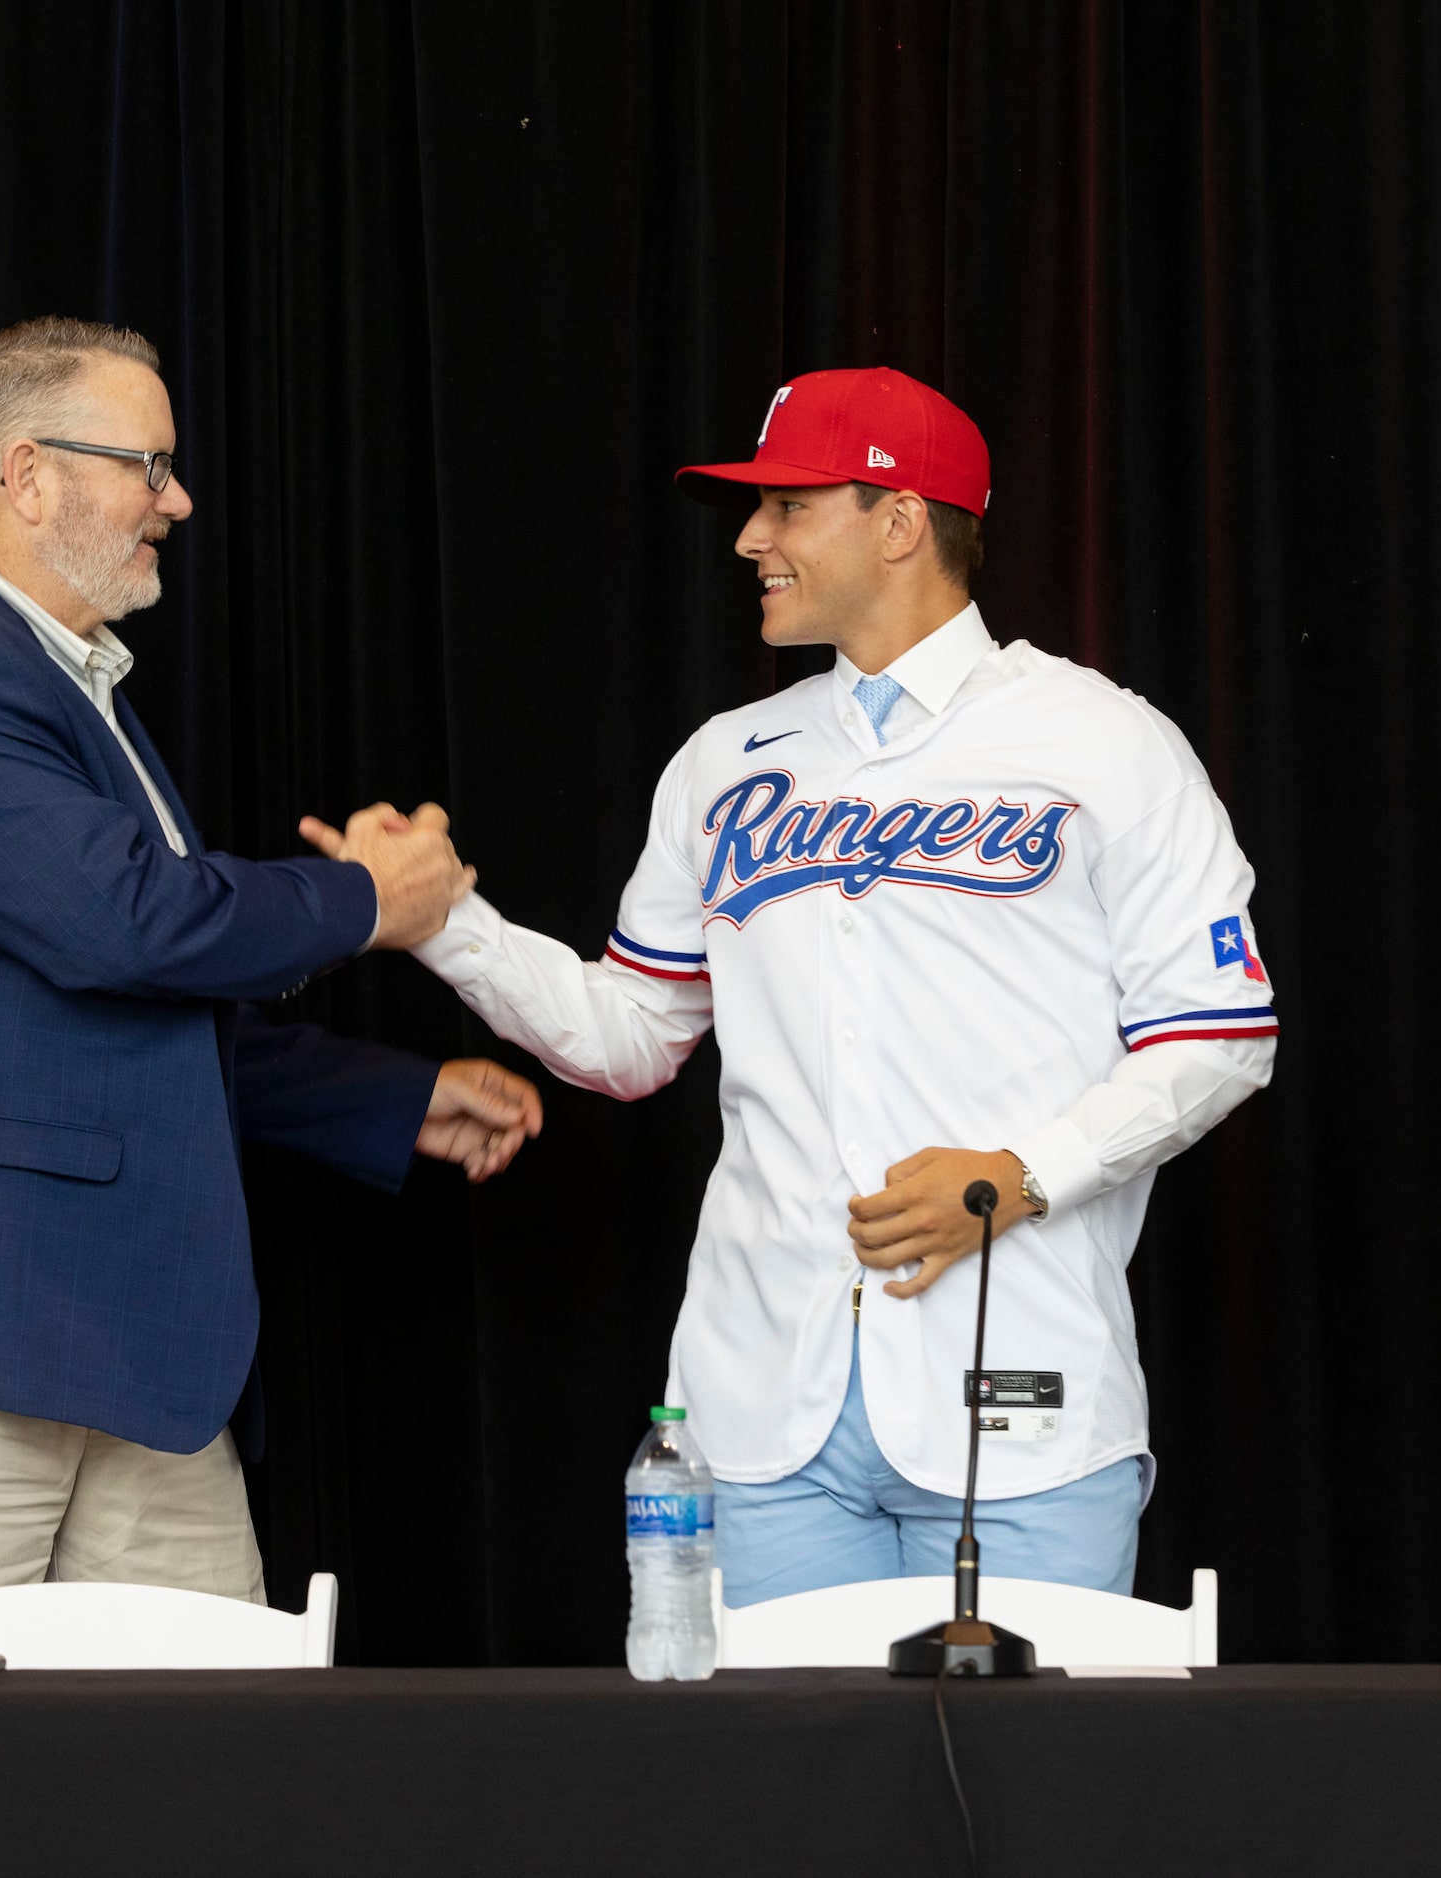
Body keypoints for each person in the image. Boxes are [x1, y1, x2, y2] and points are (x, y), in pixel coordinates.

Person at [310, 367, 1276, 1602]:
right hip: (761, 1409)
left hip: (1017, 1401)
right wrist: (449, 926)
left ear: (900, 519)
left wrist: (1019, 1176)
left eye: (786, 504)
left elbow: (1220, 1036)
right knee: (777, 1793)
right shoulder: (729, 761)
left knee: (1037, 1789)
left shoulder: (1104, 740)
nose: (752, 540)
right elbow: (631, 1035)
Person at [0, 317, 544, 1629]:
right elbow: (121, 923)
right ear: (27, 476)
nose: (176, 500)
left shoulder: (66, 691)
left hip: (129, 1351)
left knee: (192, 1781)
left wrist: (381, 1099)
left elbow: (123, 1008)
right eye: (148, 464)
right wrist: (368, 899)